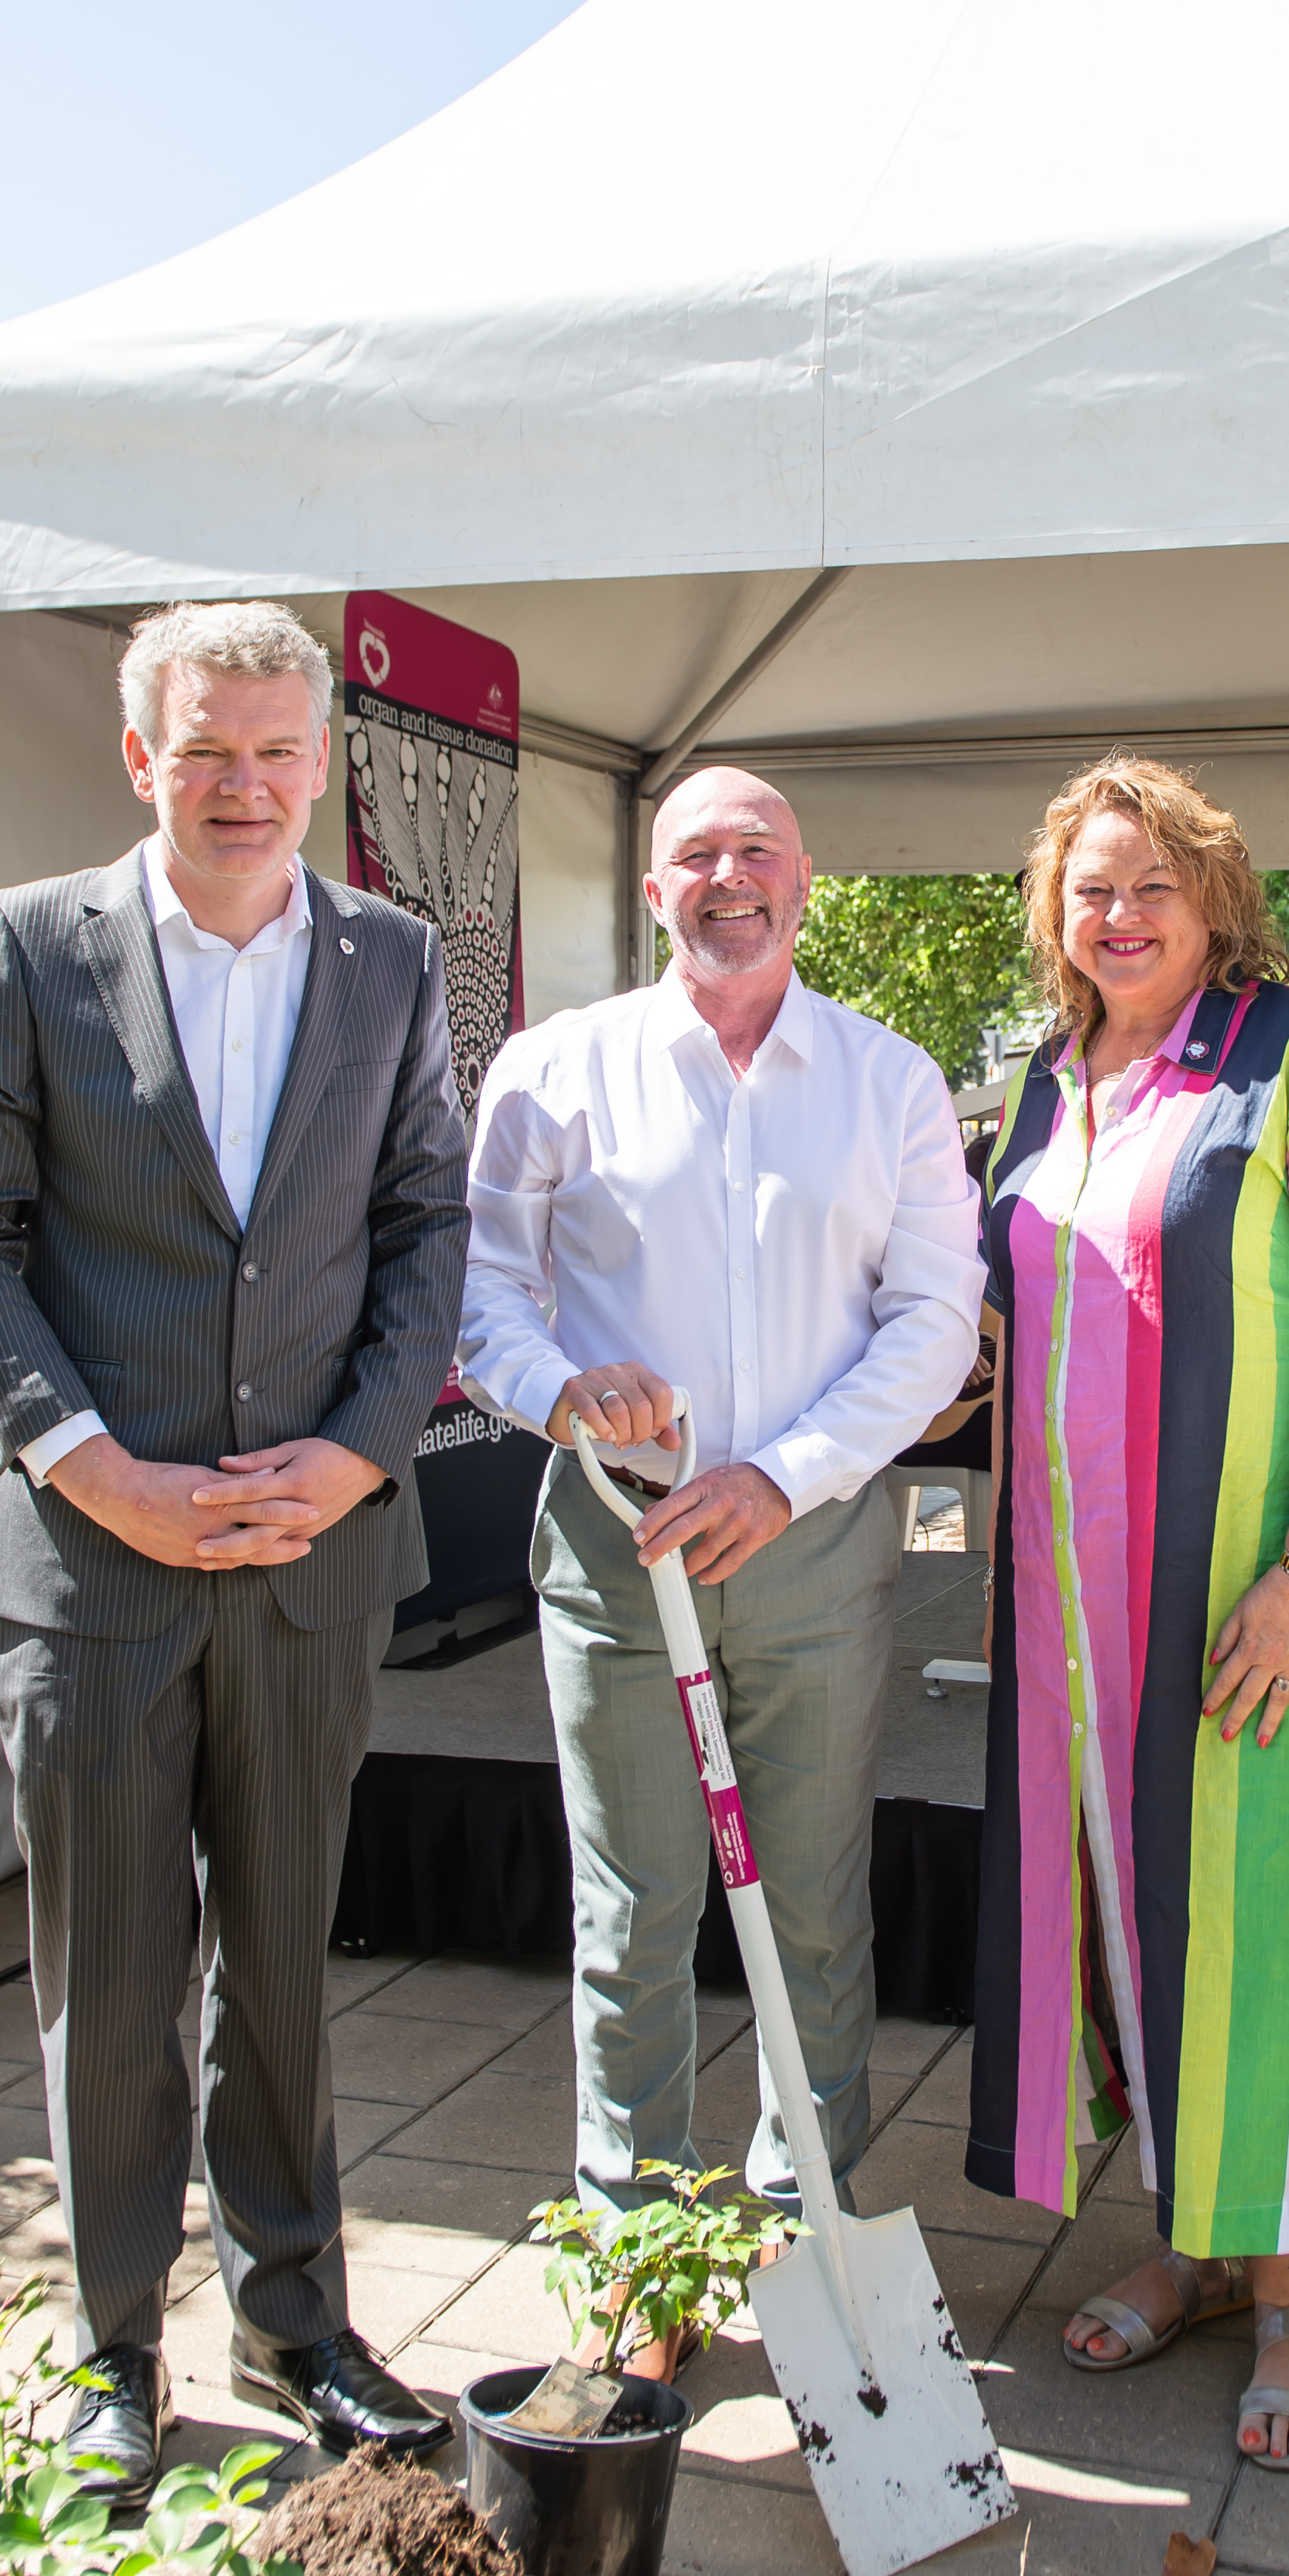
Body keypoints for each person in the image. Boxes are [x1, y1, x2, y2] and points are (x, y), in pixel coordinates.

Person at [0, 599, 471, 2503]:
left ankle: (296, 2320)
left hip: (312, 1557)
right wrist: (95, 1468)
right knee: (115, 1973)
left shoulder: (390, 962)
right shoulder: (26, 944)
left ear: (324, 766)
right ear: (140, 756)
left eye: (279, 753)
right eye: (207, 750)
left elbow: (425, 1227)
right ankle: (110, 2345)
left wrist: (359, 1456)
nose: (245, 785)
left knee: (288, 1967)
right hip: (91, 1567)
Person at [459, 768, 983, 2342]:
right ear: (651, 888)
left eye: (756, 850)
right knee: (632, 1912)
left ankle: (799, 2237)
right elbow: (479, 1296)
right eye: (696, 852)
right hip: (620, 1555)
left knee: (812, 1912)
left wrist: (789, 1473)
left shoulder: (888, 1083)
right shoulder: (556, 1070)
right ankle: (636, 2257)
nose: (728, 875)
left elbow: (931, 1319)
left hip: (815, 1558)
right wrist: (562, 1392)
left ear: (807, 879)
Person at [967, 756, 1289, 2472]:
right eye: (1088, 888)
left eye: (1149, 884)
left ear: (1215, 897)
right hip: (1068, 1622)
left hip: (1253, 1595)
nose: (1117, 914)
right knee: (1124, 1914)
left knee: (1265, 1925)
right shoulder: (1046, 1084)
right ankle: (1191, 2240)